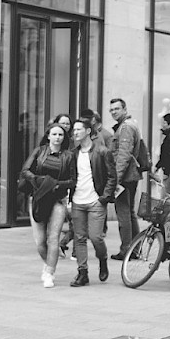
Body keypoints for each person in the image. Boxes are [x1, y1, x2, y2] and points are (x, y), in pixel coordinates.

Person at [20, 121, 76, 288]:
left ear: (64, 137)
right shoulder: (40, 151)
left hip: (58, 200)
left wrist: (57, 184)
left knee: (53, 238)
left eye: (60, 134)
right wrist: (38, 181)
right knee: (40, 242)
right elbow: (25, 170)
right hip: (38, 198)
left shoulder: (69, 155)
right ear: (48, 136)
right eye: (54, 134)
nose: (57, 137)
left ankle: (49, 272)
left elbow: (73, 180)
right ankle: (49, 263)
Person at [67, 116, 116, 285]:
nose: (75, 133)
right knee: (79, 238)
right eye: (74, 130)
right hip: (77, 201)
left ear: (88, 131)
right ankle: (83, 273)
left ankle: (102, 259)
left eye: (78, 129)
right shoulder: (73, 153)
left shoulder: (102, 151)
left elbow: (112, 176)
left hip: (95, 201)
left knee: (96, 237)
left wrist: (103, 198)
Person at [108, 97, 145, 258]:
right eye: (111, 110)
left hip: (125, 178)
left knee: (124, 214)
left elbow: (123, 154)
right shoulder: (129, 125)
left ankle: (126, 250)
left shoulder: (126, 127)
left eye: (117, 109)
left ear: (125, 109)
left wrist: (116, 179)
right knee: (129, 213)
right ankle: (134, 250)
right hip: (130, 176)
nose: (114, 112)